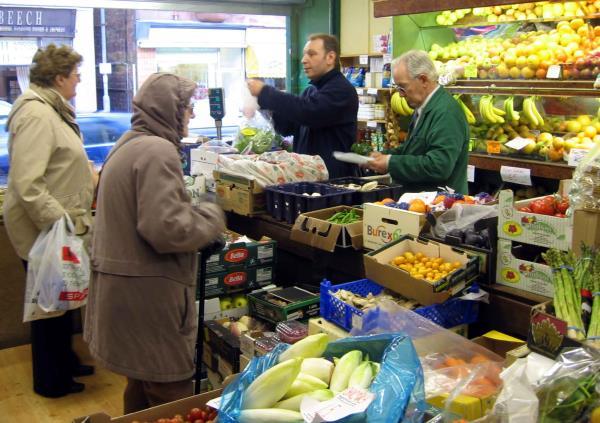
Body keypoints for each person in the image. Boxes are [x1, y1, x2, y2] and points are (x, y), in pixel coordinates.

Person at [84, 73, 226, 413]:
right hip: (148, 297)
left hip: (122, 294)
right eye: (187, 107)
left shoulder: (128, 144)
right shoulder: (157, 150)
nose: (191, 114)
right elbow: (166, 229)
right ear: (169, 109)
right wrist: (210, 216)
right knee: (170, 395)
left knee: (140, 386)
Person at [3, 44, 95, 397]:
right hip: (45, 230)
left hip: (58, 228)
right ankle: (50, 381)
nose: (79, 80)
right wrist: (62, 224)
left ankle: (65, 362)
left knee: (62, 299)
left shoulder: (52, 110)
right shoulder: (37, 115)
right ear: (59, 77)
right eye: (75, 75)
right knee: (48, 308)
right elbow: (28, 183)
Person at [247, 33, 359, 179]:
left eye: (311, 54)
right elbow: (286, 127)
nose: (304, 60)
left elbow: (309, 112)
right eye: (304, 55)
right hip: (307, 178)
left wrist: (266, 93)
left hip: (334, 182)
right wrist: (263, 104)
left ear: (330, 58)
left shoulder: (342, 90)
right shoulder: (311, 91)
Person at [364, 50, 469, 194]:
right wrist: (384, 155)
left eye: (403, 87)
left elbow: (439, 166)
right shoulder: (423, 107)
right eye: (397, 88)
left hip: (441, 207)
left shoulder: (446, 113)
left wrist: (391, 162)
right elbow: (414, 148)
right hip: (421, 203)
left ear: (423, 80)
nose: (400, 94)